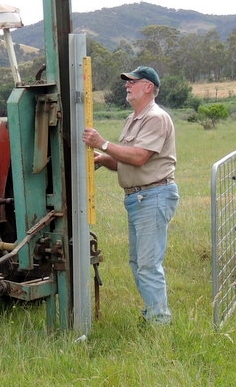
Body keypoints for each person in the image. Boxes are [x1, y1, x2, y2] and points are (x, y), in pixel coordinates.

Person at [82, 66, 179, 324]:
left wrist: (102, 144)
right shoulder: (133, 119)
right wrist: (104, 159)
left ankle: (160, 322)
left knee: (148, 264)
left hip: (153, 195)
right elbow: (125, 162)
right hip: (138, 199)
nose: (127, 85)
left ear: (148, 87)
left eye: (133, 82)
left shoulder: (156, 117)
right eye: (127, 82)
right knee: (138, 263)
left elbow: (139, 157)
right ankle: (153, 314)